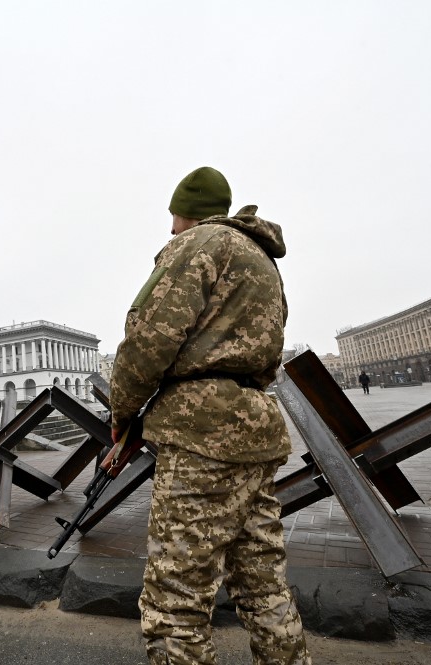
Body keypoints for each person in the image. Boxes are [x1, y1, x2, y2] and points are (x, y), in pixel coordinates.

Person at [108, 166, 309, 665]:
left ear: (184, 212)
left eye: (173, 218)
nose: (170, 229)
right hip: (255, 429)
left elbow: (149, 337)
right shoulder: (262, 260)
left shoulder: (197, 244)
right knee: (263, 583)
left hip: (201, 435)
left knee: (176, 597)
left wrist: (123, 414)